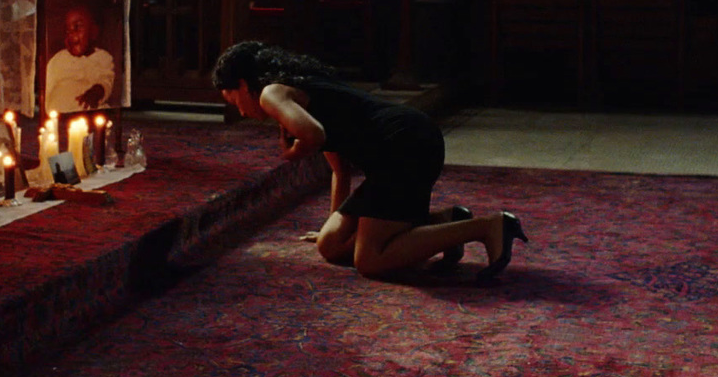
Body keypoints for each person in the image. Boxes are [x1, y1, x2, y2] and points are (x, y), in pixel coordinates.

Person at [212, 41, 528, 283]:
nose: (240, 110)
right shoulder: (297, 89)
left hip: (405, 145)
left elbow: (315, 135)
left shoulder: (271, 93)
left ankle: (489, 227)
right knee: (331, 246)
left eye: (233, 99)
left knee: (370, 260)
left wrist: (292, 152)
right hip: (402, 146)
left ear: (243, 84)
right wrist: (327, 228)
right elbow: (339, 169)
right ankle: (445, 221)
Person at [44, 5, 115, 114]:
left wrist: (97, 91)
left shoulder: (103, 58)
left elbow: (106, 80)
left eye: (77, 27)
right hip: (58, 115)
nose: (71, 33)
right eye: (67, 30)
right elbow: (46, 88)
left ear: (94, 31)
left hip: (86, 114)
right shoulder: (59, 59)